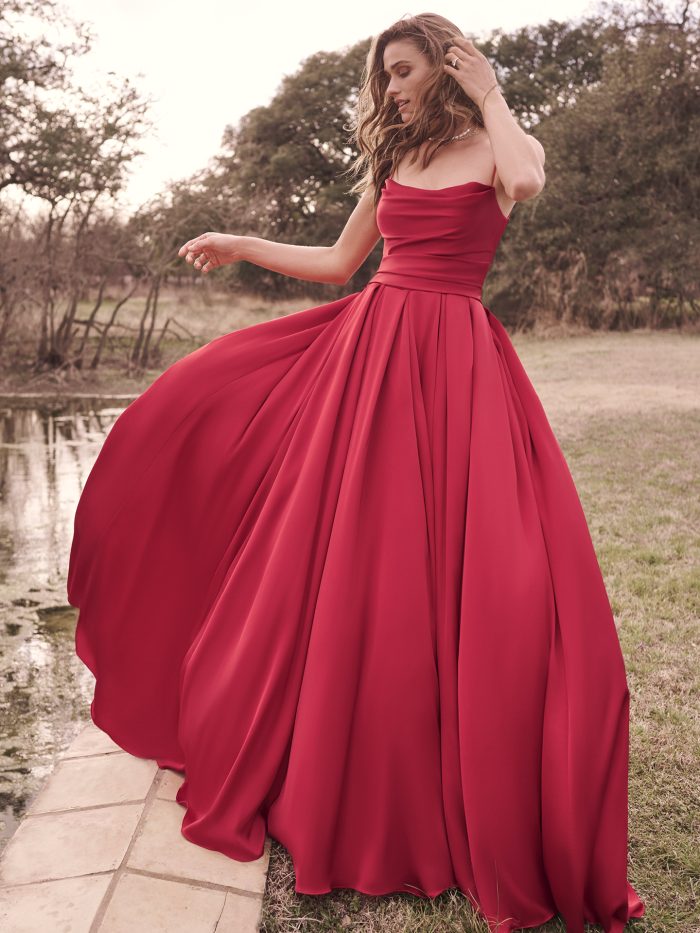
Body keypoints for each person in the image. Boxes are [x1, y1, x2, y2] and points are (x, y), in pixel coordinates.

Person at [67, 12, 646, 933]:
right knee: (344, 567)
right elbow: (342, 264)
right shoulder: (395, 162)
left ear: (450, 67)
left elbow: (528, 179)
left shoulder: (499, 142)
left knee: (491, 576)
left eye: (406, 71)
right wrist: (244, 243)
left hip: (455, 365)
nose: (392, 89)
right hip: (367, 364)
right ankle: (338, 754)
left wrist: (493, 93)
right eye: (385, 76)